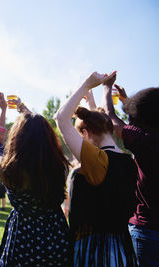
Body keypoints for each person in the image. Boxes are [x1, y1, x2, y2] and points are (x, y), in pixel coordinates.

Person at [55, 71, 138, 266]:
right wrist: (97, 98)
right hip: (122, 251)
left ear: (88, 132)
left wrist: (86, 84)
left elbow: (60, 118)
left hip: (95, 253)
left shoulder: (98, 160)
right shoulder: (129, 161)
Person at [0, 92, 71, 266]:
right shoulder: (60, 168)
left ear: (16, 140)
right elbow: (38, 132)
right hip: (56, 240)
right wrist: (22, 108)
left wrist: (3, 111)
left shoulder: (8, 170)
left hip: (22, 240)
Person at [101, 74, 159, 266]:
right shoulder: (149, 140)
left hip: (147, 233)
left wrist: (107, 89)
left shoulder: (147, 143)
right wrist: (128, 102)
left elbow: (110, 118)